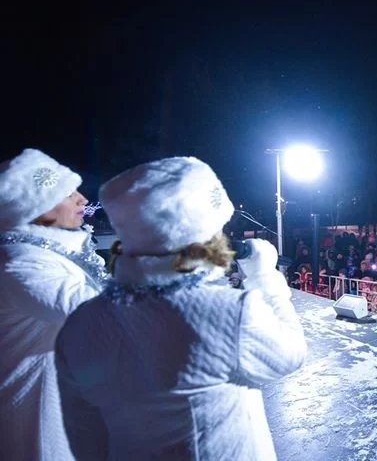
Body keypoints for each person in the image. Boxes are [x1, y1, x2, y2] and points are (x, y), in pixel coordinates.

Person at [54, 157, 307, 460]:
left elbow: (83, 432)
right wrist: (264, 275)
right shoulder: (228, 312)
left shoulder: (82, 321)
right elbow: (290, 353)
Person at [0, 148, 107, 460]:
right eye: (67, 192)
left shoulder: (54, 254)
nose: (82, 201)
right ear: (34, 207)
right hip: (38, 414)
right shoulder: (20, 263)